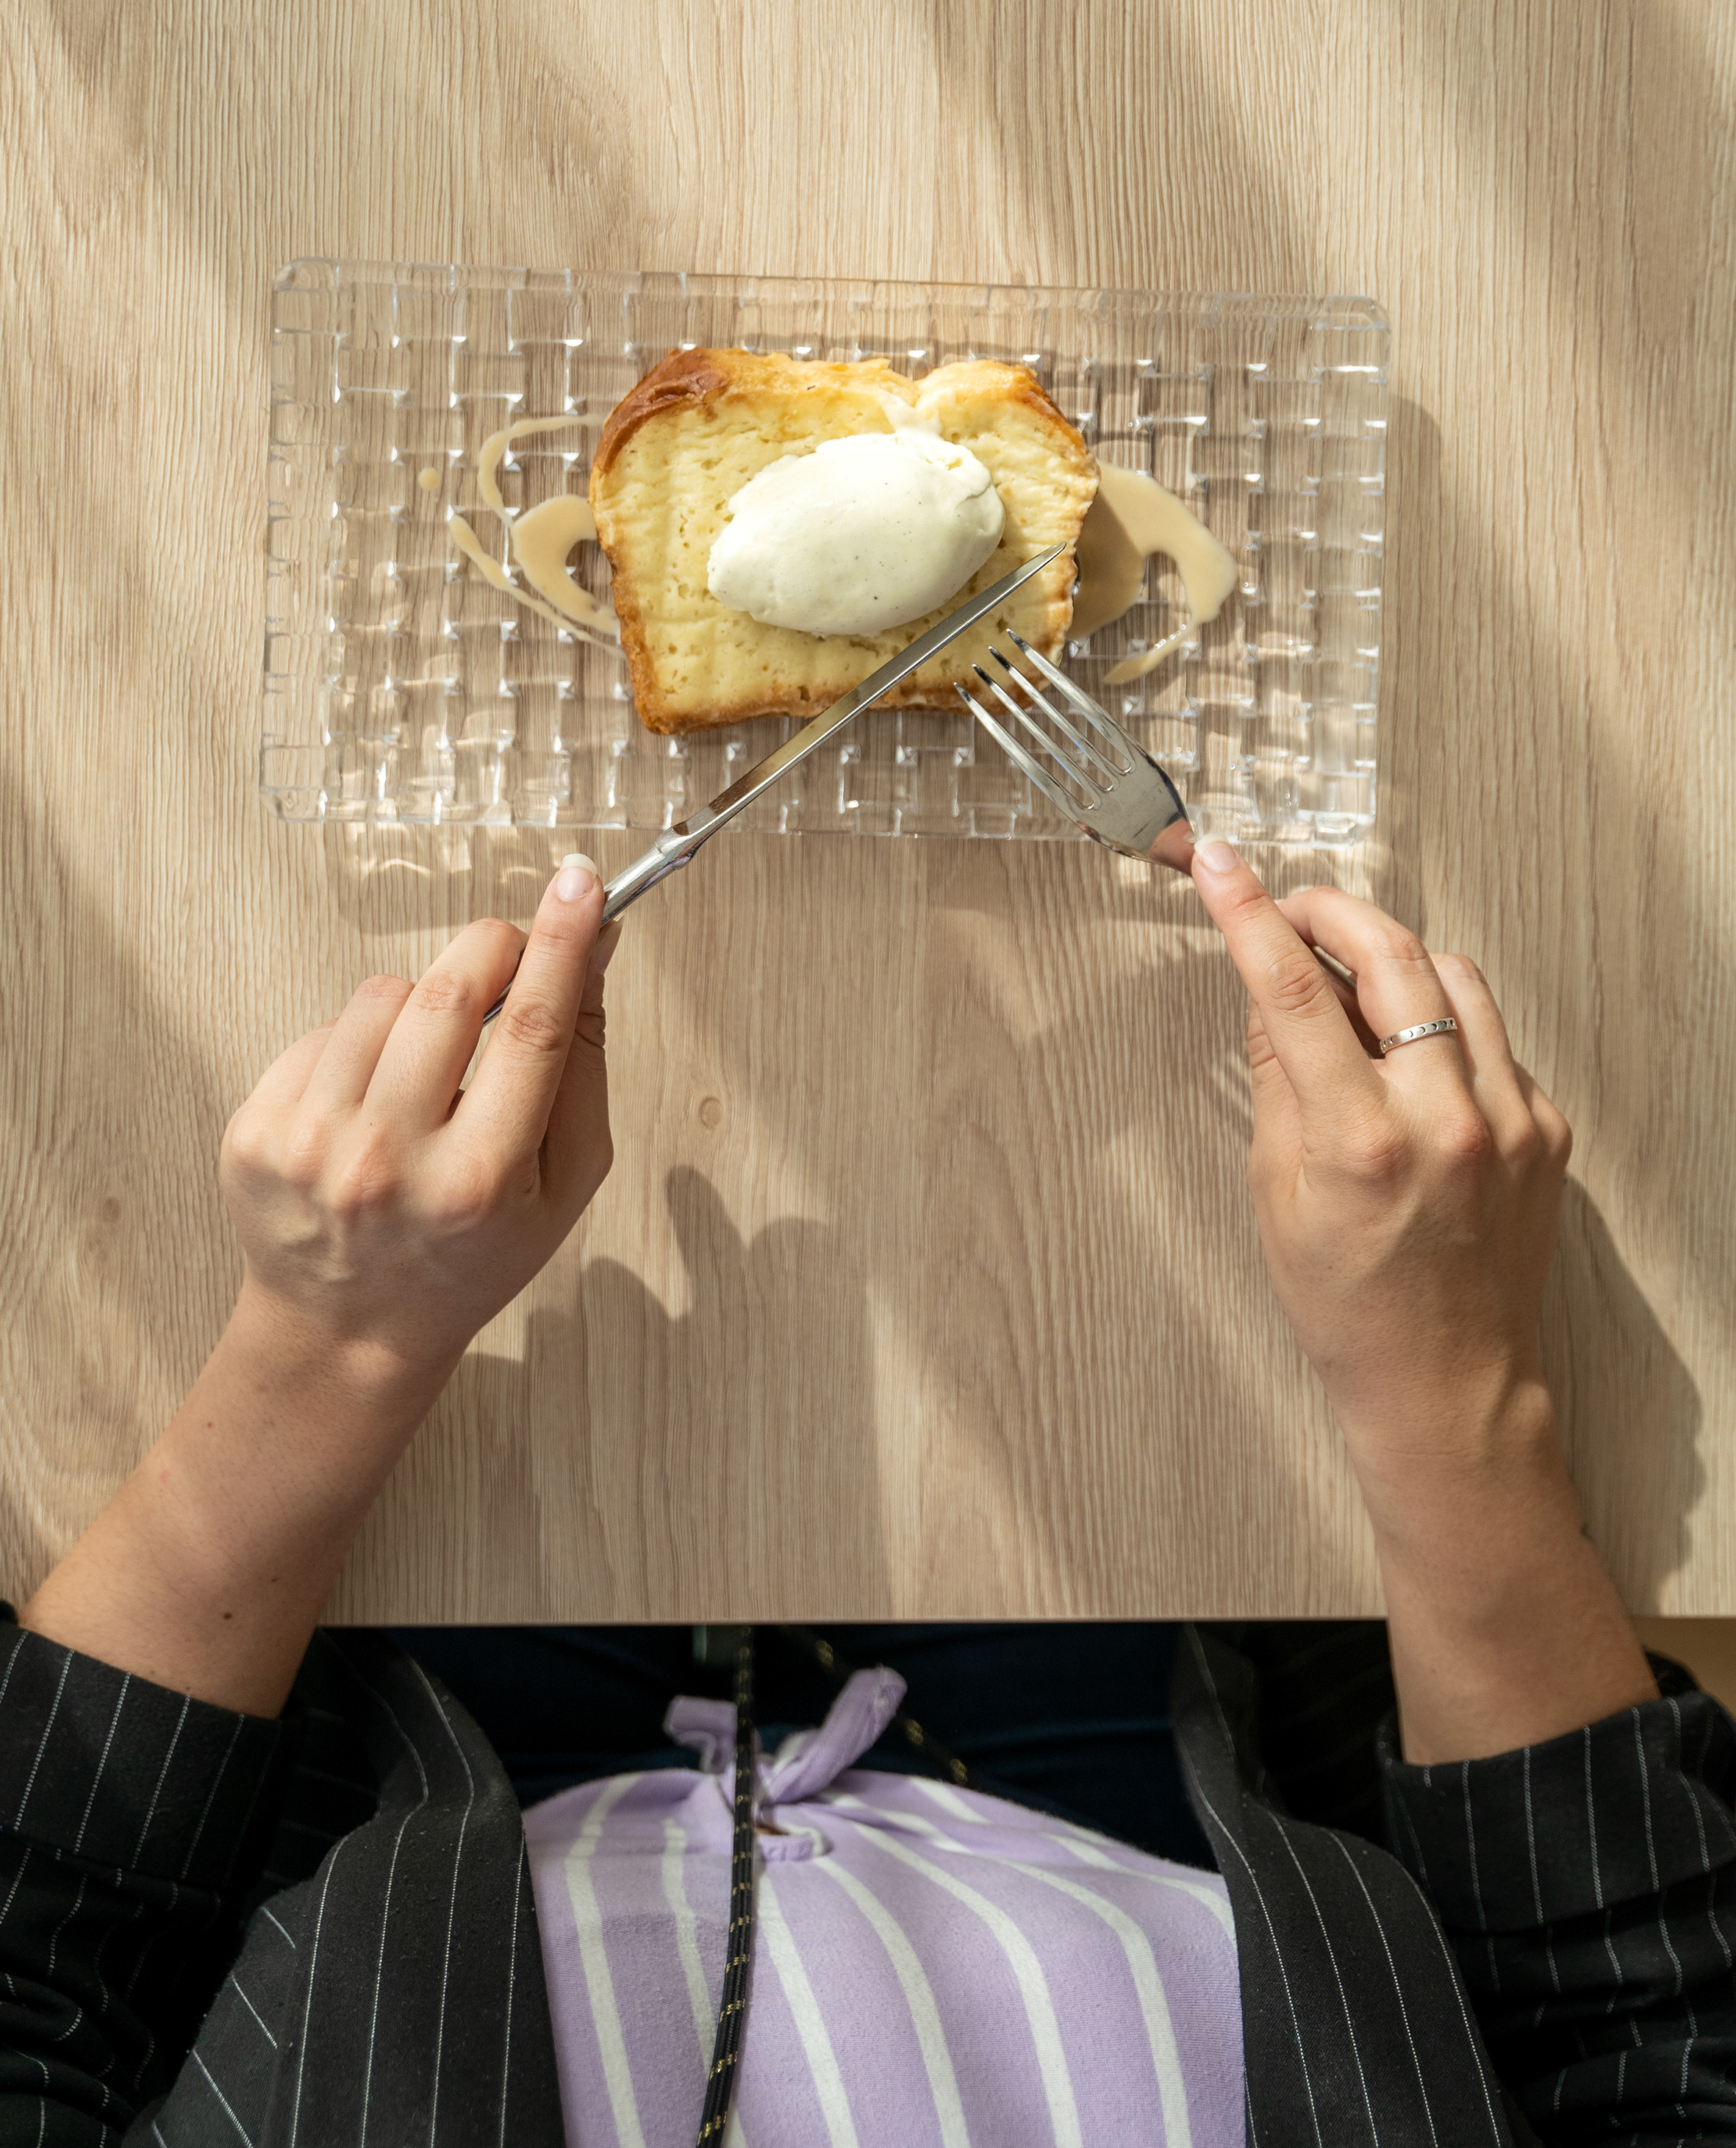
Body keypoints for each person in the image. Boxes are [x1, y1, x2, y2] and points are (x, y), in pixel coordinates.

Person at [2, 845, 1732, 2147]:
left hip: (349, 1695)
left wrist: (323, 1351)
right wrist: (1454, 1395)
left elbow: (32, 1983)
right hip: (1238, 1695)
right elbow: (1650, 2051)